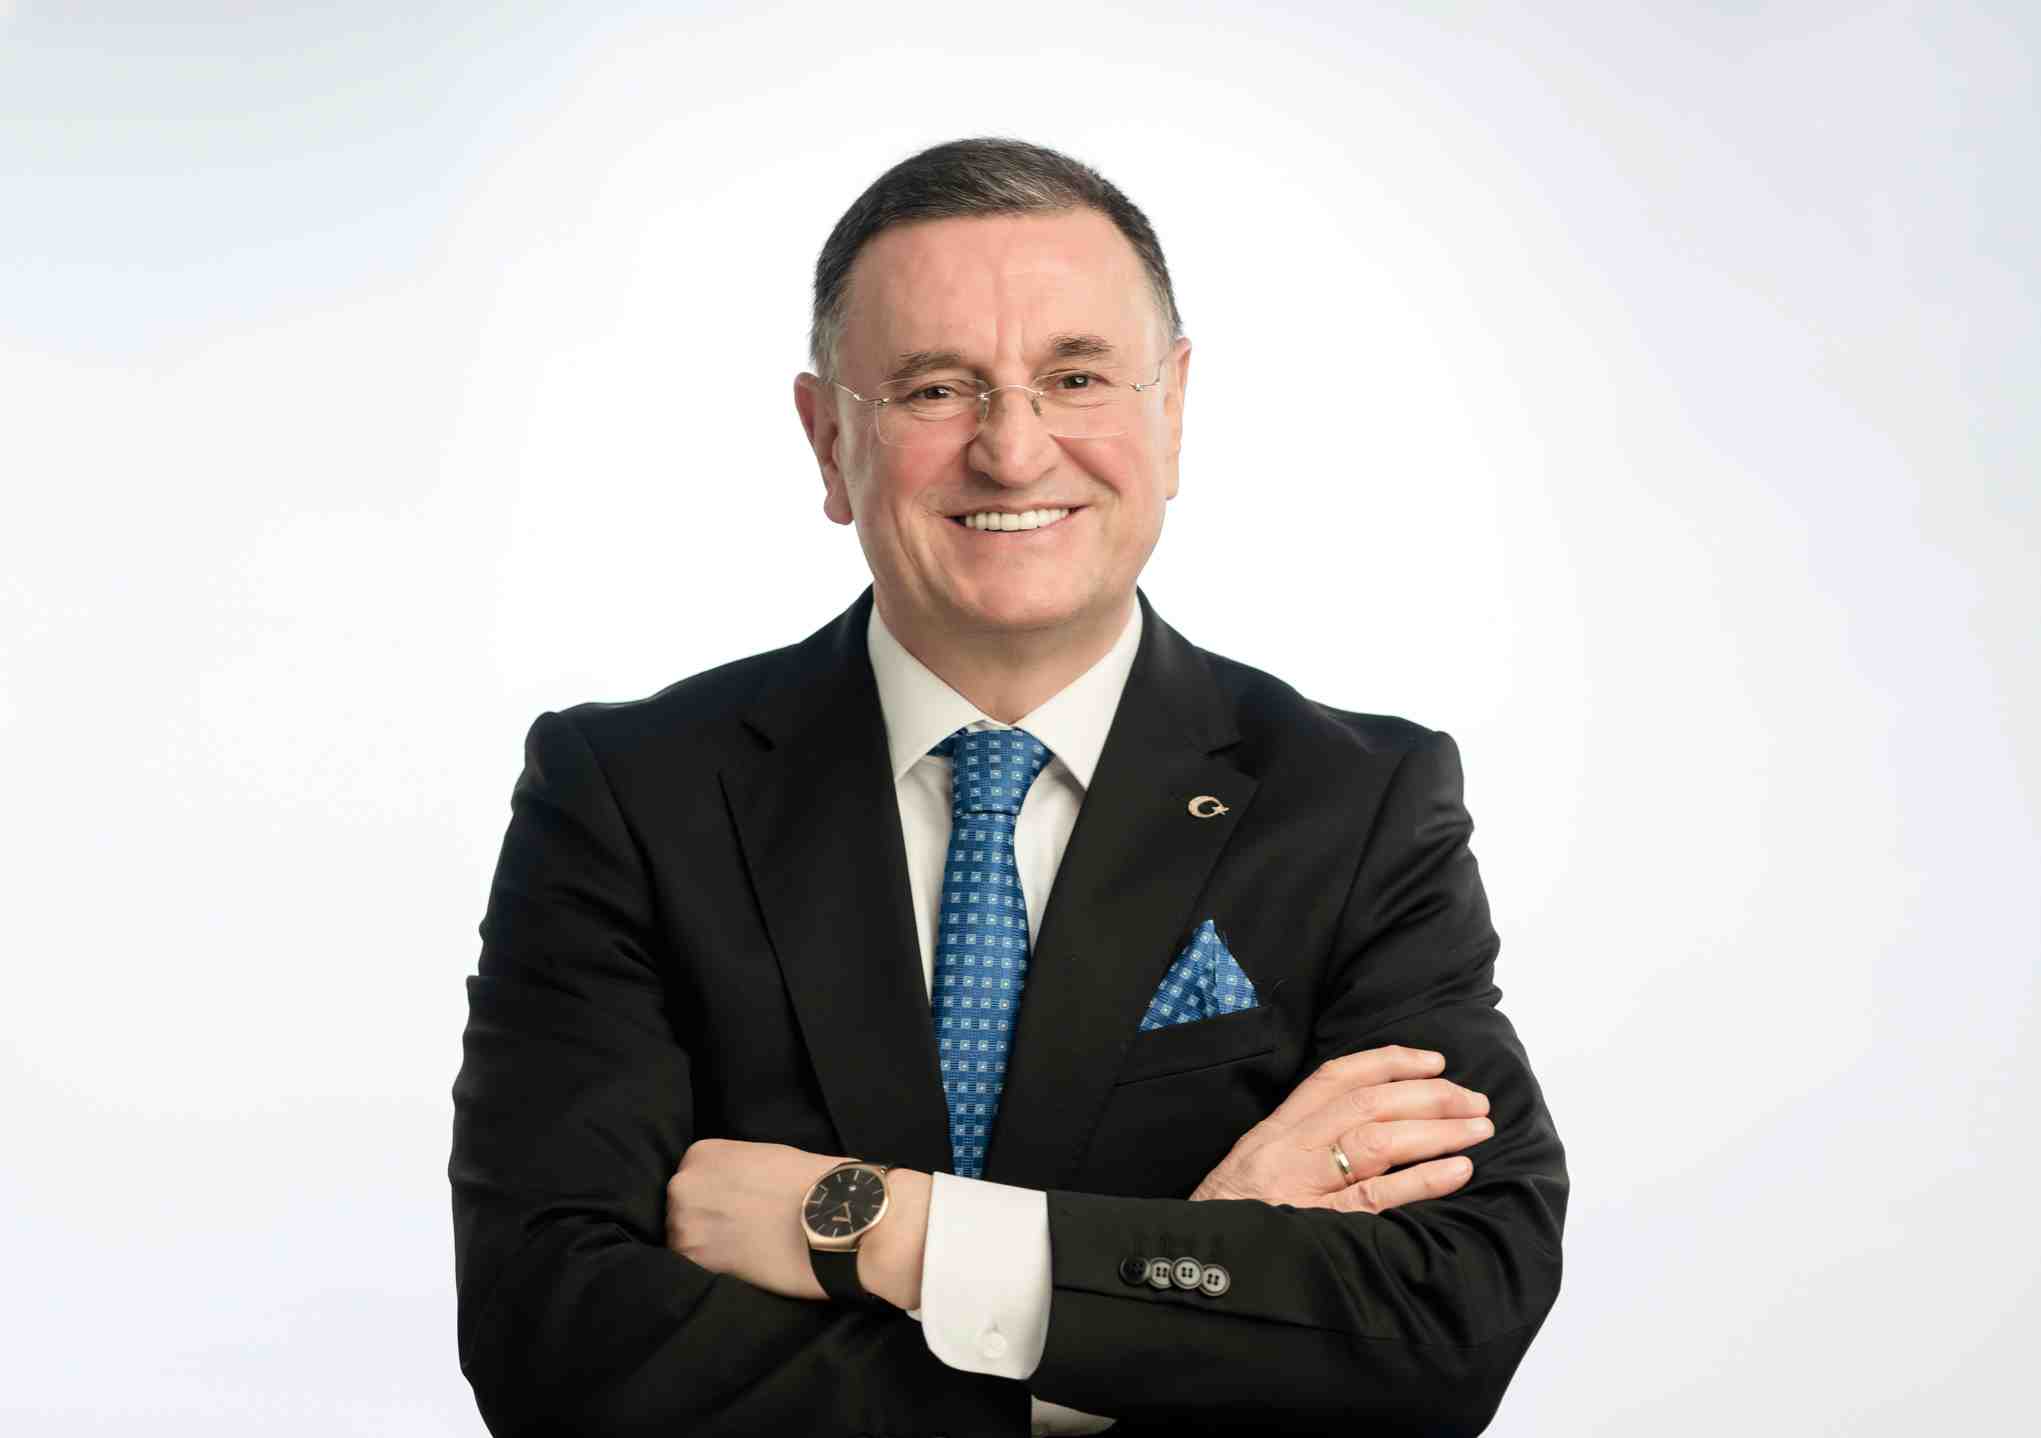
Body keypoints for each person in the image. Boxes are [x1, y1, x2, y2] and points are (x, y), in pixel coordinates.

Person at [449, 136, 1568, 1437]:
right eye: (934, 389)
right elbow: (555, 1343)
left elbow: (1447, 1313)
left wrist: (889, 1229)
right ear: (826, 440)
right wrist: (1170, 1296)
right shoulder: (629, 796)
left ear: (1172, 409)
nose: (1014, 450)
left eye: (1076, 378)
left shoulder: (1358, 803)